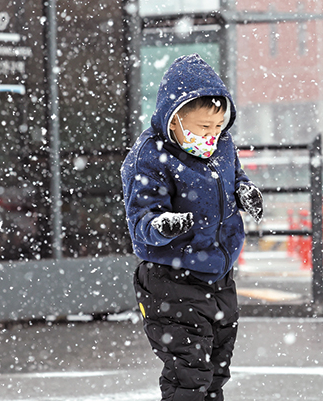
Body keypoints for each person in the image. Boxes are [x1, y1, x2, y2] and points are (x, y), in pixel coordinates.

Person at [121, 54, 263, 401]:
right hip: (170, 279)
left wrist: (245, 193)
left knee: (216, 368)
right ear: (174, 121)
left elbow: (235, 179)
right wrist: (161, 225)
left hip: (217, 275)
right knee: (188, 372)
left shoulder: (222, 146)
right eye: (202, 128)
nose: (212, 136)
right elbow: (141, 216)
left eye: (218, 126)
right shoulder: (150, 157)